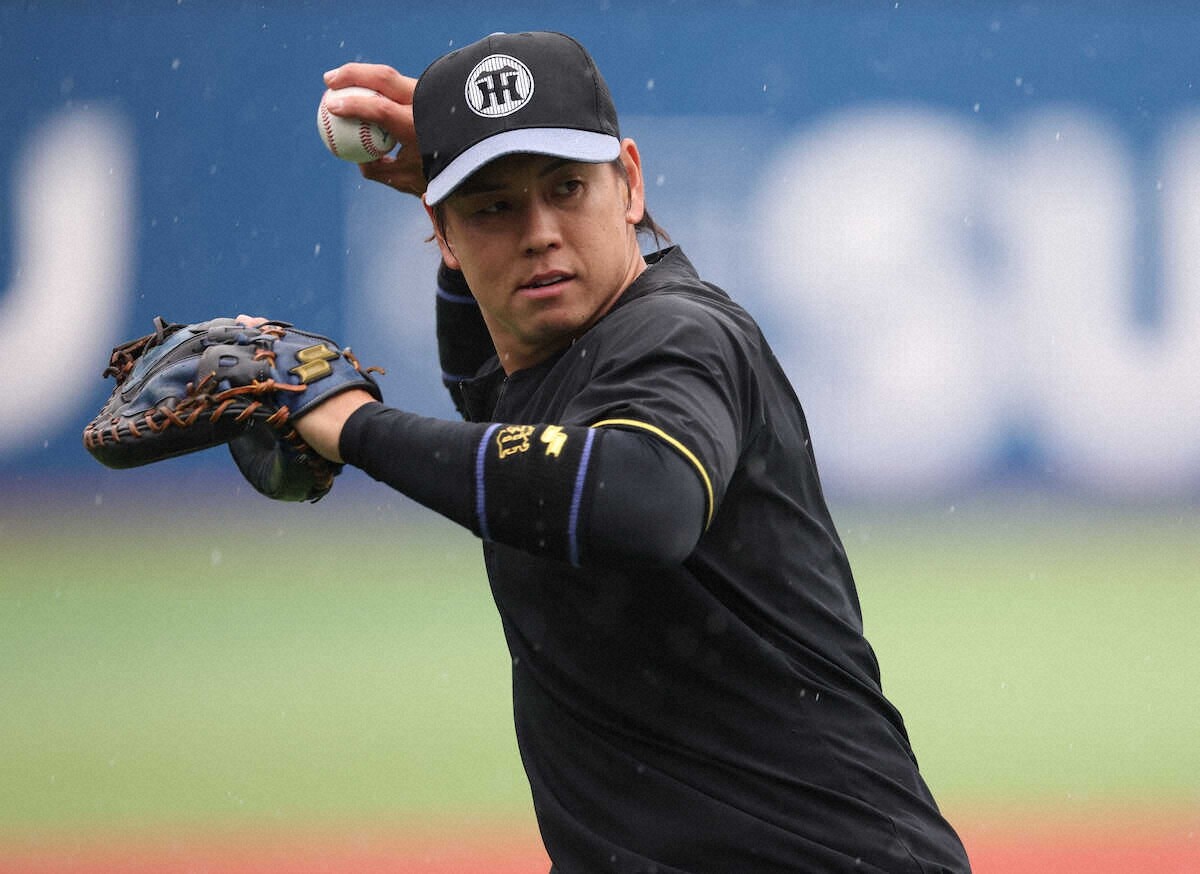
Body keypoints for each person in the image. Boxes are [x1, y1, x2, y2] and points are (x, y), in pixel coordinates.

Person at [291, 30, 973, 874]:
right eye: (494, 207)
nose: (540, 233)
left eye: (567, 187)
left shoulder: (679, 334)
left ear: (631, 183)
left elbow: (644, 501)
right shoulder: (551, 363)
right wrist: (447, 157)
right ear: (443, 233)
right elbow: (489, 391)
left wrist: (351, 425)